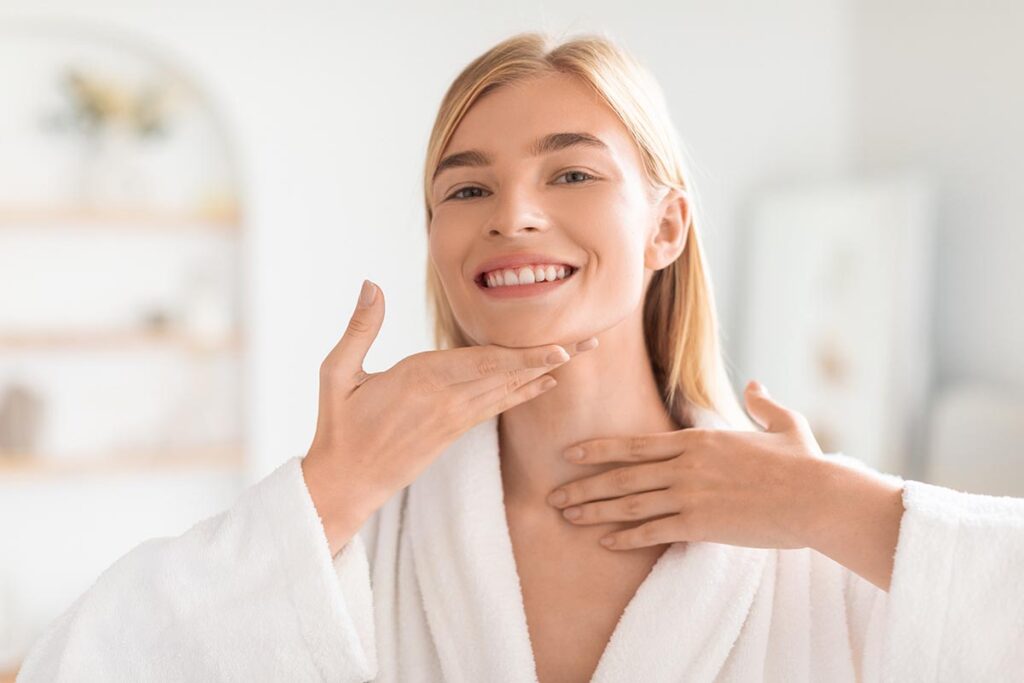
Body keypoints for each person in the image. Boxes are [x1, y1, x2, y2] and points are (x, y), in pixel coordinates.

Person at [17, 31, 1024, 683]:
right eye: (465, 190)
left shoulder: (803, 530)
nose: (514, 215)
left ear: (667, 225)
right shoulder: (368, 534)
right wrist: (327, 490)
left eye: (571, 171)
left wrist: (829, 506)